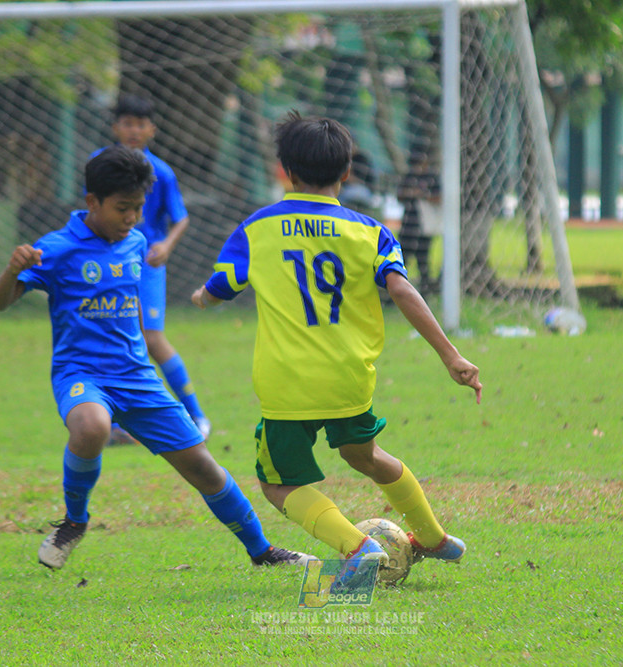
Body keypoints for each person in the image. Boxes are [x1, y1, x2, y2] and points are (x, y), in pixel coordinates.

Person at [0, 145, 314, 571]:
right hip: (81, 373)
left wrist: (141, 345)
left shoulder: (137, 242)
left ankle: (263, 551)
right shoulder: (57, 248)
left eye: (138, 208)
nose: (133, 218)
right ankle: (74, 522)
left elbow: (129, 304)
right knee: (92, 426)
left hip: (137, 376)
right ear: (92, 203)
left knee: (204, 468)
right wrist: (12, 270)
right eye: (123, 208)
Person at [191, 112, 482, 589]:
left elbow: (220, 287)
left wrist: (203, 296)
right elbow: (404, 291)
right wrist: (451, 355)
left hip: (287, 382)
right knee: (364, 455)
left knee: (277, 483)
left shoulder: (257, 228)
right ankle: (432, 535)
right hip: (350, 377)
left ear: (284, 169)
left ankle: (356, 547)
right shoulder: (371, 232)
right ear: (347, 172)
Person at [93, 94, 210, 440]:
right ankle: (113, 422)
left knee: (152, 339)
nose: (134, 130)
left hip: (145, 266)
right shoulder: (99, 164)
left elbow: (180, 219)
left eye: (140, 124)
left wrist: (166, 246)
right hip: (106, 265)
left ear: (151, 130)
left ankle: (196, 415)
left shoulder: (161, 172)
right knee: (107, 335)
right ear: (115, 127)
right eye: (127, 123)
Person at [396, 152, 441, 295]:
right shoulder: (409, 177)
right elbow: (399, 195)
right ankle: (397, 289)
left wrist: (423, 195)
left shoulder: (432, 177)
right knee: (403, 259)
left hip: (424, 226)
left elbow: (438, 198)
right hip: (409, 223)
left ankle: (425, 291)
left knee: (423, 260)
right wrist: (410, 193)